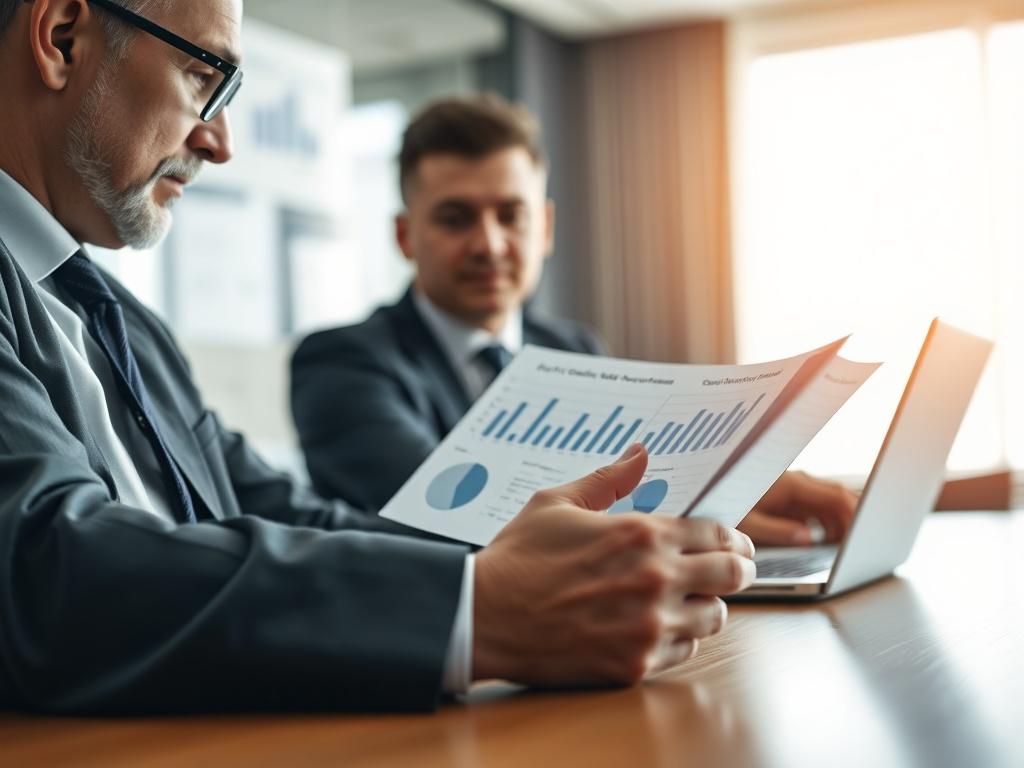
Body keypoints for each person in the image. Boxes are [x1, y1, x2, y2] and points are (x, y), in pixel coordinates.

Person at [0, 0, 759, 714]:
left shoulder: (118, 320)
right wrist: (473, 608)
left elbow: (275, 509)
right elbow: (44, 571)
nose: (220, 140)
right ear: (62, 36)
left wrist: (516, 571)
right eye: (205, 77)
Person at [290, 95, 857, 546]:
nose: (489, 244)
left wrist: (737, 488)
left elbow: (640, 474)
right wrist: (690, 516)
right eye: (456, 218)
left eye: (511, 215)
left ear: (546, 228)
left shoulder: (573, 347)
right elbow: (452, 512)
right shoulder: (342, 363)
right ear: (404, 236)